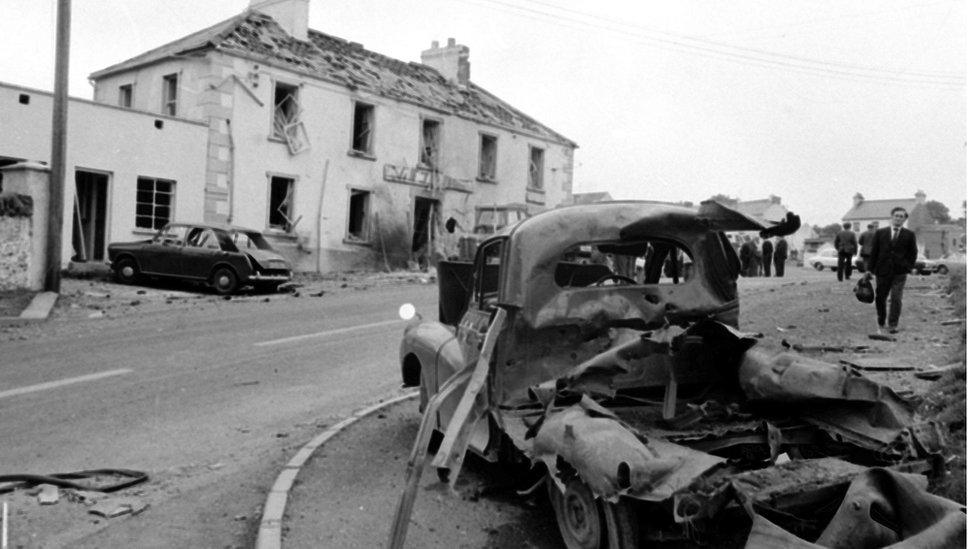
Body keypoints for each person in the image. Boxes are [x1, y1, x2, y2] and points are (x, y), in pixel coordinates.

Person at [866, 207, 917, 335]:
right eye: (896, 216)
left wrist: (908, 267)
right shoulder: (880, 233)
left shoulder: (909, 235)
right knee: (880, 298)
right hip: (882, 271)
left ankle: (893, 324)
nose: (898, 218)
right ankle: (881, 321)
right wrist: (869, 270)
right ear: (892, 217)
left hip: (899, 272)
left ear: (904, 219)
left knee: (896, 298)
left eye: (901, 216)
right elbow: (874, 253)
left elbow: (913, 253)